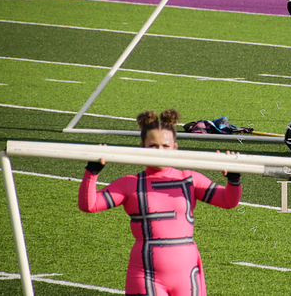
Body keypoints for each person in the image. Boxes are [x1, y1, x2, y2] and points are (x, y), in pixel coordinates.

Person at [78, 109, 242, 296]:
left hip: (187, 275)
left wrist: (234, 179)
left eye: (165, 146)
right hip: (145, 275)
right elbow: (89, 205)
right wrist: (92, 171)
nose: (160, 151)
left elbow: (228, 201)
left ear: (175, 147)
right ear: (142, 147)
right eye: (153, 146)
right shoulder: (130, 183)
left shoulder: (189, 179)